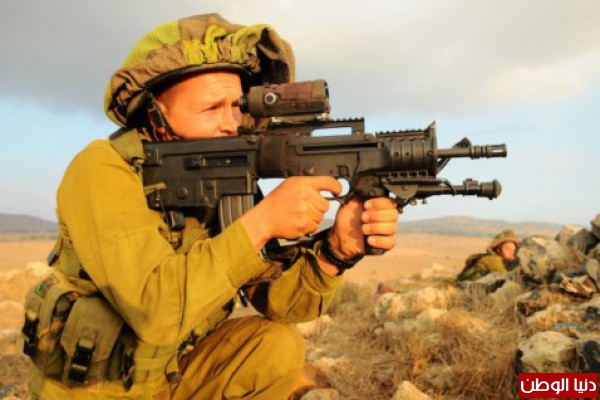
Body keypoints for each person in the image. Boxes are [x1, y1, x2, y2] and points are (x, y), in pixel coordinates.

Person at [23, 13, 399, 399]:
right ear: (156, 113)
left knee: (276, 348)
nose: (231, 123)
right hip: (96, 391)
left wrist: (337, 251)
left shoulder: (225, 176)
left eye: (237, 106)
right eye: (211, 108)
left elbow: (283, 305)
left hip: (171, 374)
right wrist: (261, 223)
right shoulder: (102, 169)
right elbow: (155, 311)